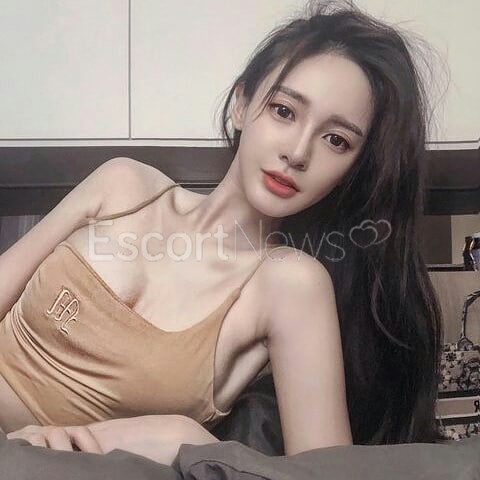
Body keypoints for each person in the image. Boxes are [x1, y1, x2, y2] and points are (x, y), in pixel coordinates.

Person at [0, 0, 444, 465]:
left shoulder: (289, 285)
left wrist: (192, 441)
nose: (297, 152)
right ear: (241, 104)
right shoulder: (123, 185)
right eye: (284, 111)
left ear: (353, 168)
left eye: (336, 140)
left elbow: (324, 474)